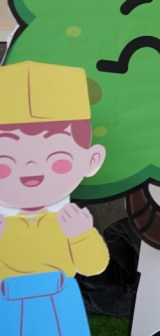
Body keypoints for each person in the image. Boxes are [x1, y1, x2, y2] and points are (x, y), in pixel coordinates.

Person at [0, 61, 109, 335]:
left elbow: (93, 266)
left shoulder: (69, 220)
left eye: (58, 162)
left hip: (60, 301)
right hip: (5, 302)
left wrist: (81, 234)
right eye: (5, 165)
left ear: (91, 160)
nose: (30, 174)